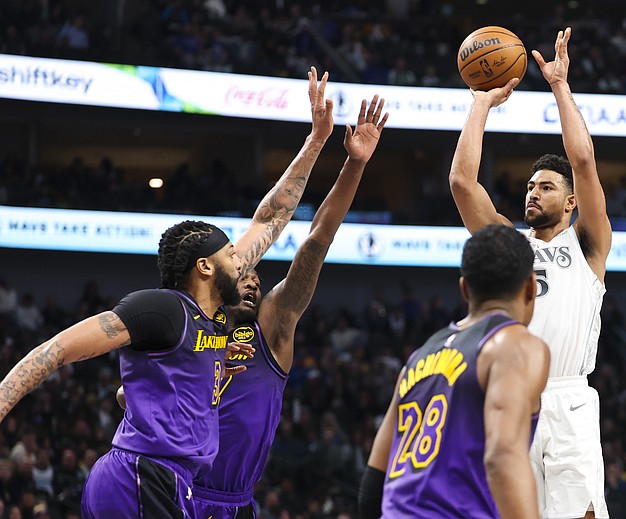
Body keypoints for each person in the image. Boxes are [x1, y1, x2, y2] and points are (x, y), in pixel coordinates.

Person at [0, 65, 336, 518]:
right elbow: (59, 349)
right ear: (204, 267)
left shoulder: (216, 318)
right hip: (140, 473)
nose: (242, 260)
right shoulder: (163, 309)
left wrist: (316, 140)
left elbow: (271, 218)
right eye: (231, 256)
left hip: (172, 482)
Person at [191, 94, 388, 519]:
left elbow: (317, 238)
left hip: (234, 500)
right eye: (245, 275)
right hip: (172, 486)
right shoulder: (188, 325)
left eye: (258, 280)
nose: (254, 282)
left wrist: (354, 164)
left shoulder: (271, 327)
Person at [448, 28, 612, 519]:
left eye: (546, 186)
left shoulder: (587, 244)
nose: (533, 193)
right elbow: (461, 181)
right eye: (529, 186)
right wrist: (481, 103)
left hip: (569, 401)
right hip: (513, 398)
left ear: (571, 201)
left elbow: (583, 159)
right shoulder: (508, 245)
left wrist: (560, 86)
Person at [358, 224, 550, 519]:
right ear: (530, 287)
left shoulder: (421, 354)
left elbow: (373, 481)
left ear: (464, 288)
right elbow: (503, 458)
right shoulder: (514, 344)